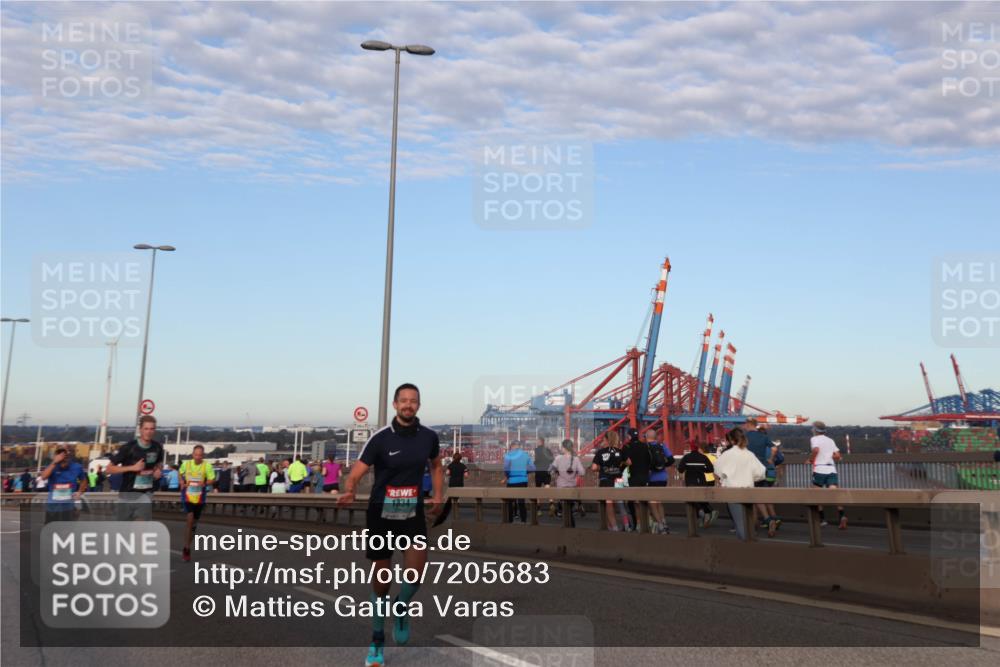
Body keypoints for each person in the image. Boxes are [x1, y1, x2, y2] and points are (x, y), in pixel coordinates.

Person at [337, 383, 442, 667]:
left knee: (415, 576)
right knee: (382, 583)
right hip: (380, 514)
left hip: (412, 512)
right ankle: (377, 640)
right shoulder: (381, 438)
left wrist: (438, 494)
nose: (408, 405)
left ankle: (402, 605)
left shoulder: (429, 437)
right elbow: (358, 471)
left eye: (414, 401)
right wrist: (349, 488)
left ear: (418, 405)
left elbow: (435, 465)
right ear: (395, 405)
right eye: (403, 400)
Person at [104, 415, 165, 520]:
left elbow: (159, 463)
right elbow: (109, 469)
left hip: (146, 494)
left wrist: (158, 471)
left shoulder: (157, 447)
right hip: (127, 494)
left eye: (152, 429)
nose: (149, 432)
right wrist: (132, 467)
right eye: (146, 429)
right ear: (140, 429)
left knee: (140, 528)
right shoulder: (129, 447)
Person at [713, 427, 765, 540]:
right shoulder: (749, 454)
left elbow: (717, 470)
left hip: (733, 492)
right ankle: (751, 547)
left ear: (731, 440)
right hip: (748, 491)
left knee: (740, 525)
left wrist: (725, 477)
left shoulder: (727, 454)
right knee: (749, 524)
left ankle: (745, 551)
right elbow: (760, 473)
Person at [178, 444, 215, 562]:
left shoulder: (207, 466)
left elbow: (212, 479)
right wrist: (181, 482)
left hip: (200, 498)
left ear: (203, 456)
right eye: (196, 455)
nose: (198, 457)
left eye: (200, 455)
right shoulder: (186, 464)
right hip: (188, 496)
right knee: (190, 518)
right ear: (192, 455)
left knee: (194, 524)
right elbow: (180, 473)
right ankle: (187, 548)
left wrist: (205, 483)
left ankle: (187, 546)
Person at [744, 417, 779, 537]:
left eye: (745, 424)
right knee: (759, 494)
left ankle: (756, 524)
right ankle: (768, 520)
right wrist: (770, 459)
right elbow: (774, 448)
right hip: (762, 468)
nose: (744, 426)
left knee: (751, 497)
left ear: (749, 425)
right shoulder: (764, 437)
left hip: (749, 469)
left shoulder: (745, 437)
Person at [809, 421, 847, 529]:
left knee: (817, 495)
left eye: (812, 428)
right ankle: (842, 516)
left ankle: (822, 520)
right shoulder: (830, 440)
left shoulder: (814, 439)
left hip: (820, 469)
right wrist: (829, 456)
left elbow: (816, 450)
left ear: (815, 430)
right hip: (831, 469)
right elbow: (837, 455)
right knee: (834, 493)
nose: (812, 430)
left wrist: (810, 459)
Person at [40, 447, 88, 523]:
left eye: (65, 454)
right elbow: (43, 477)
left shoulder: (77, 467)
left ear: (69, 456)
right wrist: (54, 462)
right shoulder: (52, 467)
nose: (63, 457)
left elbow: (84, 481)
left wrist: (79, 492)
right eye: (60, 454)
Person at [677, 438, 717, 527]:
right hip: (702, 481)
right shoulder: (703, 457)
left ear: (691, 448)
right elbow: (710, 469)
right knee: (701, 498)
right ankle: (707, 513)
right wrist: (702, 469)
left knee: (692, 500)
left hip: (690, 481)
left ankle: (702, 515)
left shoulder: (686, 457)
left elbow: (680, 469)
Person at [591, 431, 626, 531]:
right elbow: (627, 463)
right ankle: (627, 525)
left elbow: (593, 468)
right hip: (618, 480)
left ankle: (614, 527)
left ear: (607, 440)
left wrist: (602, 468)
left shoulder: (601, 452)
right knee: (620, 503)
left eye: (603, 439)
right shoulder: (620, 451)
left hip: (606, 480)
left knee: (609, 504)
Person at [644, 428, 674, 534]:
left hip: (651, 477)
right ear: (656, 437)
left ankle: (660, 525)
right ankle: (664, 523)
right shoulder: (662, 446)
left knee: (652, 502)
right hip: (662, 478)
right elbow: (671, 460)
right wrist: (661, 466)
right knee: (659, 501)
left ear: (646, 437)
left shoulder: (645, 447)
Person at [550, 439, 586, 527]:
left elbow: (551, 471)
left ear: (565, 448)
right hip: (572, 488)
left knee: (565, 510)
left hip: (561, 488)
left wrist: (557, 472)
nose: (561, 448)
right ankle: (571, 526)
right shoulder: (576, 459)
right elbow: (582, 472)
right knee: (569, 509)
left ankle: (568, 528)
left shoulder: (558, 458)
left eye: (562, 447)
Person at [502, 441, 533, 523]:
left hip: (512, 481)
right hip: (523, 481)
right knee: (521, 502)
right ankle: (523, 520)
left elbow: (506, 467)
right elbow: (533, 468)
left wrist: (508, 475)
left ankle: (510, 521)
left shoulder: (508, 455)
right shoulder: (526, 454)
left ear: (512, 446)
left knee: (510, 502)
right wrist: (524, 472)